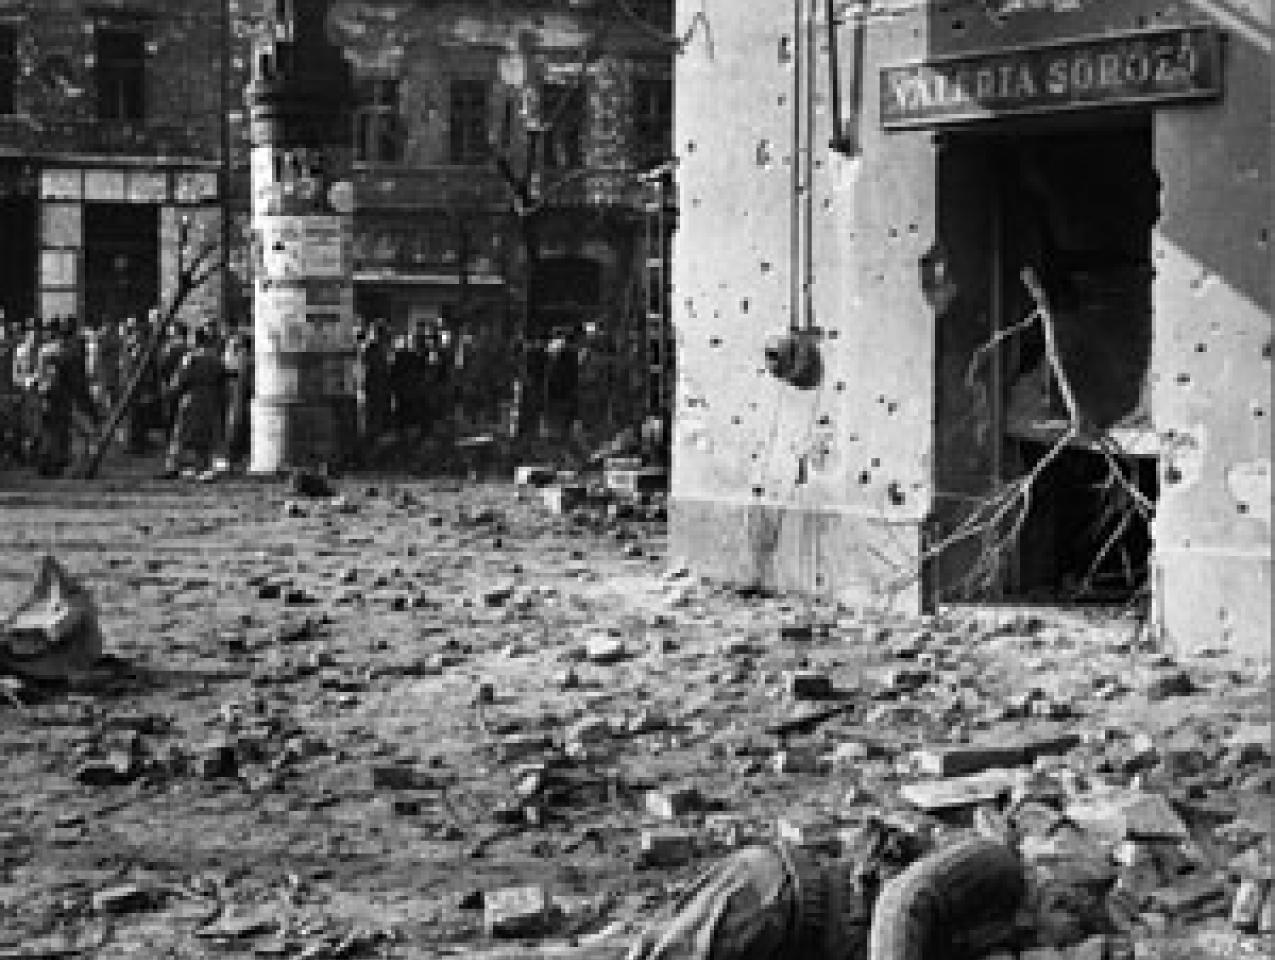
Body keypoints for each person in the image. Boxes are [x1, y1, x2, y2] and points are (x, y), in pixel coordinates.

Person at [159, 325, 225, 479]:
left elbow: (180, 380)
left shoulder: (190, 359)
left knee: (180, 433)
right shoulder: (216, 359)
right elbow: (222, 380)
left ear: (195, 340)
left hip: (191, 398)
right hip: (210, 399)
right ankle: (203, 467)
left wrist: (170, 393)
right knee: (206, 436)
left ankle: (173, 466)